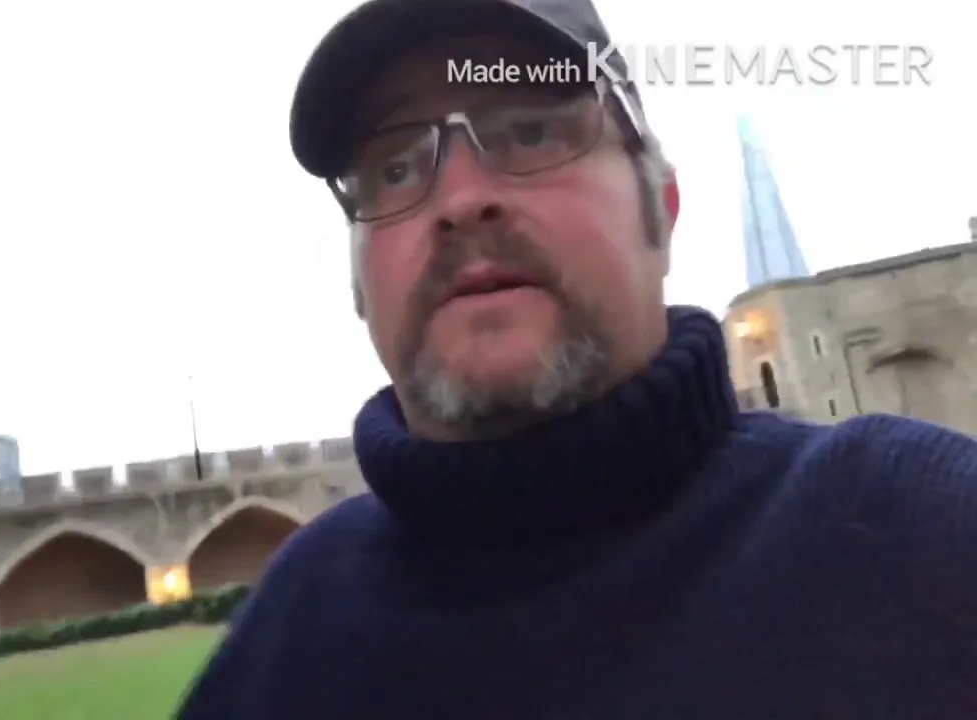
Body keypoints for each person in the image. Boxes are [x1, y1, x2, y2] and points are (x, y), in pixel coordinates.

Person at [176, 0, 977, 717]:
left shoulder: (923, 536)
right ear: (359, 283)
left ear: (660, 210)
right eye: (394, 169)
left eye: (531, 130)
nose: (461, 200)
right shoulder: (286, 639)